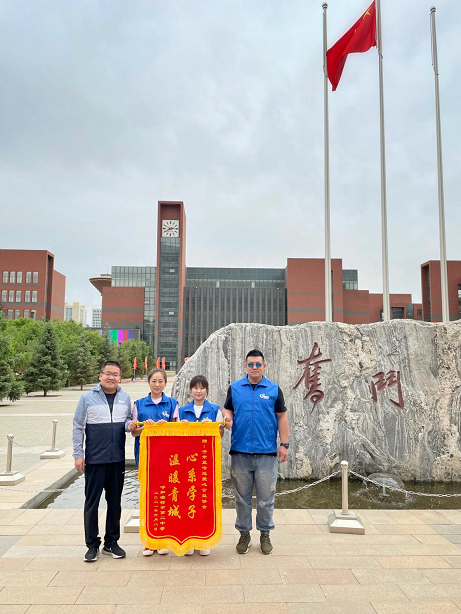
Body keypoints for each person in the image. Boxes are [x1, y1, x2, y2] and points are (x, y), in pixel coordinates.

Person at [222, 349, 289, 555]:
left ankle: (265, 534)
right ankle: (244, 534)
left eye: (258, 364)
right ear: (245, 366)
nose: (254, 368)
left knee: (266, 498)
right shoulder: (235, 388)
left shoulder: (274, 389)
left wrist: (284, 444)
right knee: (241, 499)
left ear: (264, 366)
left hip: (266, 453)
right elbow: (227, 409)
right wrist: (227, 417)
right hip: (240, 452)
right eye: (250, 364)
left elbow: (282, 417)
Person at [73, 360, 132, 562]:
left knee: (115, 503)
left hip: (117, 460)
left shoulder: (125, 397)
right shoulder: (87, 398)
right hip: (95, 460)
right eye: (108, 373)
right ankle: (92, 544)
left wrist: (131, 426)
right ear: (100, 375)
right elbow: (78, 426)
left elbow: (126, 421)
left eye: (115, 374)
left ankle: (111, 542)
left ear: (120, 378)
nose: (111, 377)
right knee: (92, 503)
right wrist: (78, 454)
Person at [127, 367, 177, 557]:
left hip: (167, 458)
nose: (157, 384)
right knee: (148, 497)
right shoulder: (139, 404)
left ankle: (163, 539)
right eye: (154, 381)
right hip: (146, 458)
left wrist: (167, 426)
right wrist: (146, 427)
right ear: (149, 383)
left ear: (165, 383)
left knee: (165, 496)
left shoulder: (172, 404)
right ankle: (149, 541)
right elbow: (134, 432)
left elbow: (177, 430)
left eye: (160, 381)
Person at [176, 374, 224, 557]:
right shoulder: (182, 411)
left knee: (205, 499)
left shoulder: (215, 410)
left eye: (202, 388)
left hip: (206, 462)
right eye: (195, 387)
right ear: (190, 390)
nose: (198, 391)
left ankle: (204, 539)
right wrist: (181, 427)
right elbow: (175, 437)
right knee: (187, 499)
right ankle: (188, 539)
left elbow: (221, 434)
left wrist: (214, 426)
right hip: (187, 463)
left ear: (207, 390)